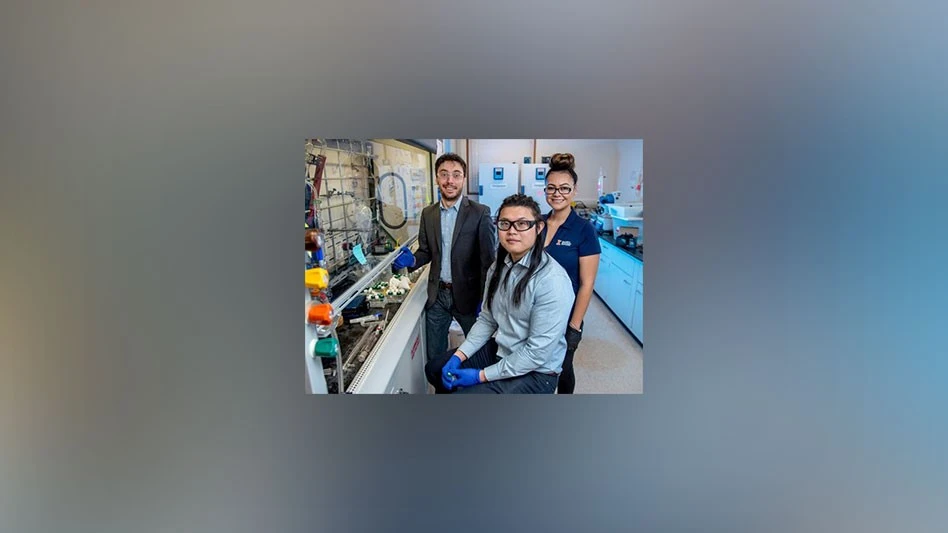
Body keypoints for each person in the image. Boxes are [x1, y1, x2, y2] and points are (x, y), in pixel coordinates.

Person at [424, 193, 575, 394]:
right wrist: (459, 355)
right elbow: (487, 320)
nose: (512, 231)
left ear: (538, 228)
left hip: (537, 371)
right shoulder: (498, 267)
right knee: (435, 369)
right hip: (502, 350)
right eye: (505, 223)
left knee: (465, 398)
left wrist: (480, 376)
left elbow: (536, 353)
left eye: (522, 224)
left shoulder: (551, 280)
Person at [391, 153, 497, 362]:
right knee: (435, 355)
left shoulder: (480, 213)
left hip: (469, 296)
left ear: (463, 179)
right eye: (444, 175)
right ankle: (442, 390)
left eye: (456, 175)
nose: (450, 181)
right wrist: (412, 260)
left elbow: (488, 262)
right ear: (437, 179)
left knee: (478, 352)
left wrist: (486, 299)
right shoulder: (428, 214)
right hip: (438, 295)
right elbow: (426, 252)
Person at [540, 153, 601, 394]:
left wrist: (574, 327)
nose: (557, 193)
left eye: (564, 188)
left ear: (574, 191)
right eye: (552, 188)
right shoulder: (538, 223)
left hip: (566, 316)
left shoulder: (584, 230)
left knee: (563, 368)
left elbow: (587, 283)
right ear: (545, 190)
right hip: (535, 311)